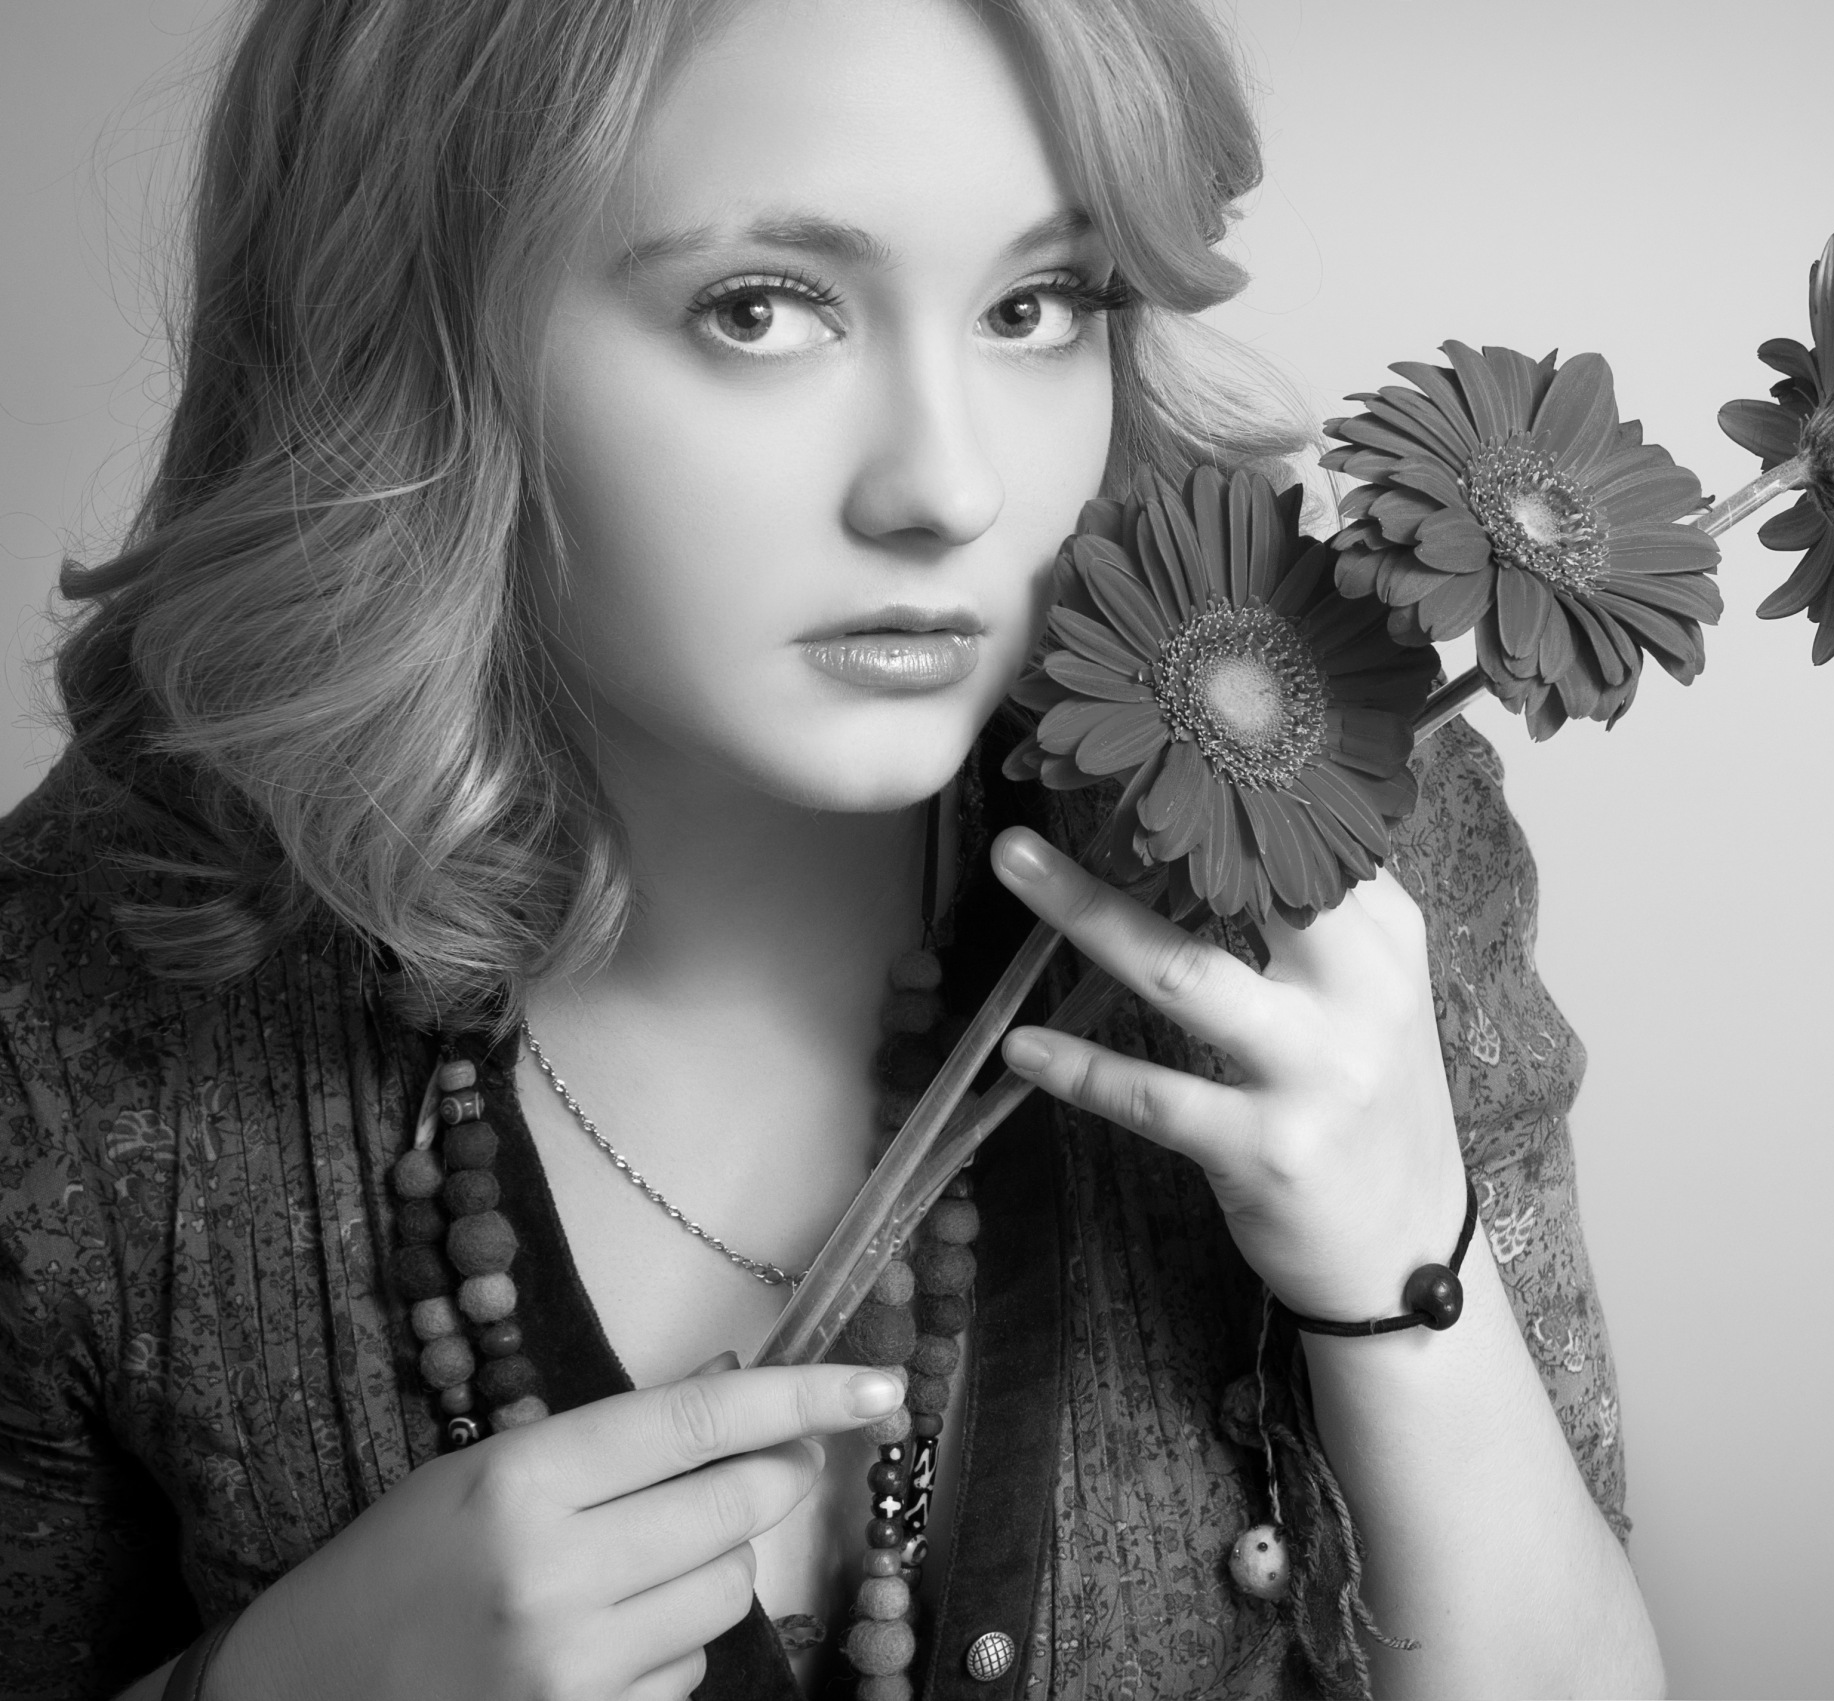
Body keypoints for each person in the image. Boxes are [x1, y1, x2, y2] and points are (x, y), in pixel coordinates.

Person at [0, 0, 1663, 1696]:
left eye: (1037, 305)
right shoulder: (69, 1015)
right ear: (408, 334)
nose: (949, 487)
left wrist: (1399, 1269)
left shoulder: (1332, 856)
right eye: (761, 308)